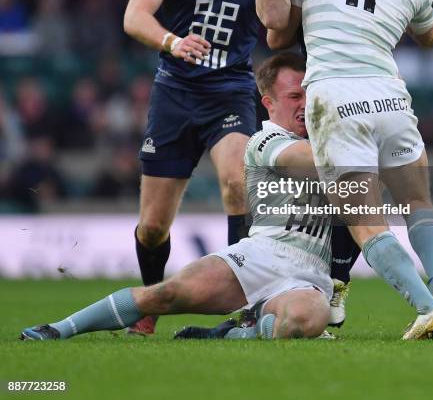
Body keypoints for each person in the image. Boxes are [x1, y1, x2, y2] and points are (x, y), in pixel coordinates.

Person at [20, 53, 336, 342]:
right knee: (164, 294)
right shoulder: (266, 141)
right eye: (295, 96)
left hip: (306, 275)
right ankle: (59, 329)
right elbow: (315, 160)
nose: (305, 104)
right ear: (268, 103)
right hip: (259, 258)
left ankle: (238, 334)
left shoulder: (325, 142)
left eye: (310, 95)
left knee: (304, 317)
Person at [254, 0, 433, 339]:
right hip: (389, 97)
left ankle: (427, 310)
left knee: (365, 222)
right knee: (418, 201)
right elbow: (431, 35)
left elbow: (277, 27)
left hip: (334, 99)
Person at [121, 0, 260, 335]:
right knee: (154, 227)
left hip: (231, 90)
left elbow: (280, 22)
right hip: (176, 93)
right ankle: (151, 298)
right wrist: (172, 42)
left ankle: (245, 301)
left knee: (238, 184)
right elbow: (135, 16)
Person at [243, 0, 366, 326]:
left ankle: (336, 280)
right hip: (316, 73)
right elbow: (275, 31)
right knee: (337, 180)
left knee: (362, 179)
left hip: (359, 67)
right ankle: (277, 283)